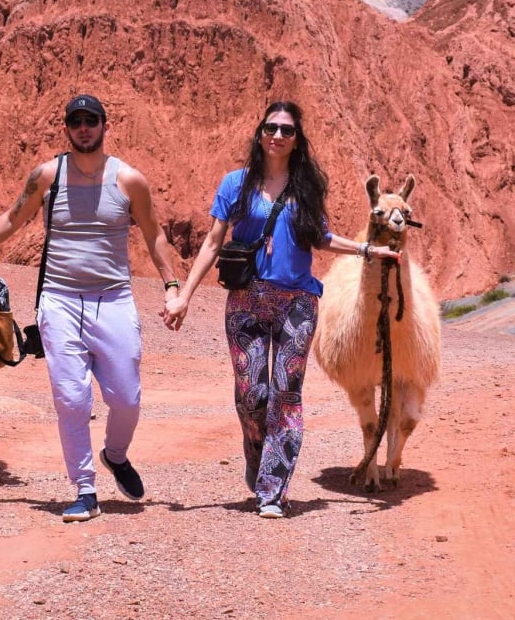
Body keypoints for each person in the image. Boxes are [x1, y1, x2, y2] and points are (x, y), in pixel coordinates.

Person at [0, 94, 182, 522]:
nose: (85, 128)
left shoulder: (128, 180)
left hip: (113, 300)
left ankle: (116, 454)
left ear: (105, 126)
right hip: (60, 300)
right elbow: (12, 219)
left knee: (126, 398)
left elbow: (154, 234)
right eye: (77, 121)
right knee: (72, 399)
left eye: (92, 120)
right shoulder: (48, 177)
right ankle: (85, 489)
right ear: (67, 129)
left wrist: (172, 286)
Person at [162, 101, 398, 517]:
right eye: (271, 128)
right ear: (259, 134)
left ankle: (273, 489)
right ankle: (258, 458)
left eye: (287, 131)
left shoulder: (306, 188)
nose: (277, 136)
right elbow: (213, 242)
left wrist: (366, 249)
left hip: (298, 303)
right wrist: (184, 295)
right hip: (246, 300)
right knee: (252, 393)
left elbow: (321, 238)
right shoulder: (236, 184)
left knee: (285, 395)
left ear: (296, 140)